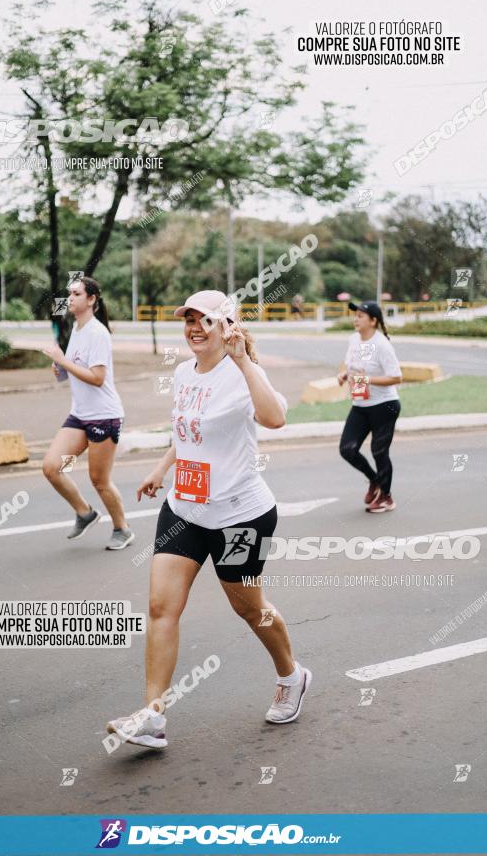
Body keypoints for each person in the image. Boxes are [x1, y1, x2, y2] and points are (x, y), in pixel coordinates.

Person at [106, 290, 312, 749]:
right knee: (162, 607)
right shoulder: (183, 373)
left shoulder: (242, 375)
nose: (194, 328)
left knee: (249, 608)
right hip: (185, 510)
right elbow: (188, 430)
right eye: (189, 320)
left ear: (227, 327)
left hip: (241, 517)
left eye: (205, 321)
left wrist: (244, 362)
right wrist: (163, 469)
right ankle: (153, 716)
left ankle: (292, 674)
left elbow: (276, 418)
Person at [41, 276, 134, 550]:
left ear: (91, 299)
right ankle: (85, 512)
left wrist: (63, 362)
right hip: (80, 415)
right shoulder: (78, 331)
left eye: (76, 293)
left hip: (104, 416)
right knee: (51, 467)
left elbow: (97, 378)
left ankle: (122, 529)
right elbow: (72, 374)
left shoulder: (97, 333)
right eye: (69, 293)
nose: (70, 298)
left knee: (99, 480)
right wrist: (59, 369)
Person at [338, 301, 402, 512]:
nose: (355, 319)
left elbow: (396, 377)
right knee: (347, 449)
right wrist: (344, 375)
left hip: (384, 405)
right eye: (355, 315)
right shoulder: (354, 339)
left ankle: (386, 497)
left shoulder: (382, 344)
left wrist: (368, 379)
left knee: (379, 451)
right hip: (361, 403)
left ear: (373, 321)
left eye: (361, 316)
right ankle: (374, 480)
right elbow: (351, 365)